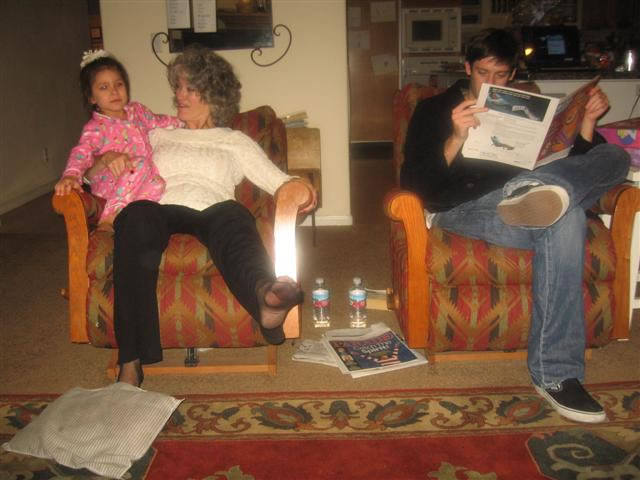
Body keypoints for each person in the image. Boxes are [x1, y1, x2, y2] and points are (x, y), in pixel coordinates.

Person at [401, 29, 630, 423]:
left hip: (530, 196)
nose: (492, 83)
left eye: (502, 75)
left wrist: (587, 123)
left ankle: (537, 190)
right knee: (569, 215)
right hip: (464, 206)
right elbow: (416, 185)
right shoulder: (433, 109)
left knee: (613, 158)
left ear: (512, 74)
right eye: (483, 73)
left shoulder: (528, 108)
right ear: (468, 67)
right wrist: (455, 137)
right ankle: (557, 375)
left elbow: (573, 161)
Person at [96, 46, 317, 387]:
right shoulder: (155, 134)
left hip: (213, 207)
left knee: (235, 217)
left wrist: (302, 188)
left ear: (212, 94)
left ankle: (267, 298)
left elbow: (277, 181)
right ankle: (131, 361)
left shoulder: (234, 141)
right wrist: (103, 161)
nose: (179, 95)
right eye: (178, 87)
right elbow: (101, 175)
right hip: (157, 205)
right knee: (135, 217)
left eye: (189, 88)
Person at [54, 50, 182, 225]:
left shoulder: (137, 111)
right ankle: (110, 216)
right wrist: (71, 175)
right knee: (141, 164)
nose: (114, 91)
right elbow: (81, 153)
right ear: (91, 98)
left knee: (157, 183)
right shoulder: (96, 127)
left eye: (119, 84)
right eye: (104, 87)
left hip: (137, 184)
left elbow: (159, 121)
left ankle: (130, 218)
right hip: (110, 185)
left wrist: (184, 122)